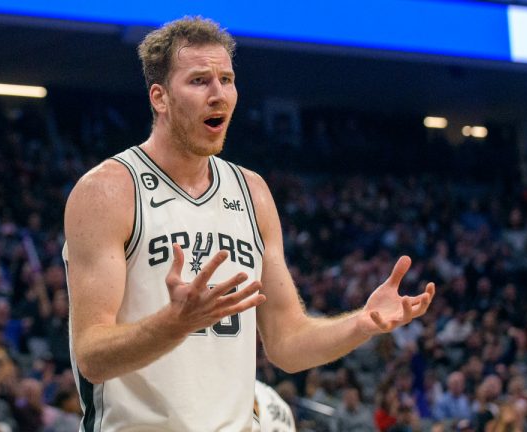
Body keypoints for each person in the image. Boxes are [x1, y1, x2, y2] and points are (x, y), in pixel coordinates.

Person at [63, 15, 435, 431]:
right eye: (200, 81)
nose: (219, 94)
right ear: (160, 97)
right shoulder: (108, 191)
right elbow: (92, 356)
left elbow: (287, 342)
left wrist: (361, 324)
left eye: (227, 79)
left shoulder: (252, 192)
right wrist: (174, 323)